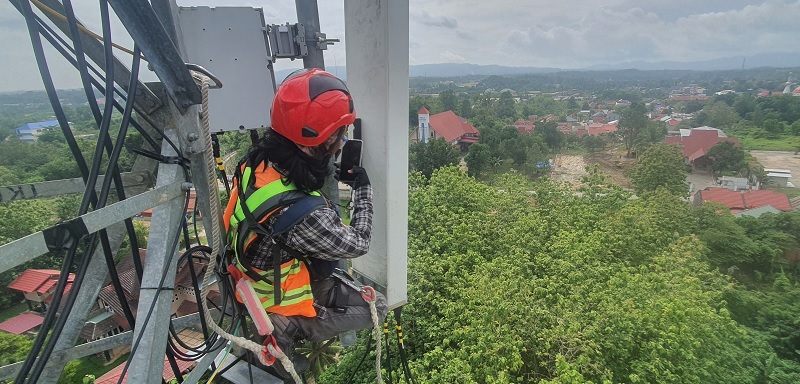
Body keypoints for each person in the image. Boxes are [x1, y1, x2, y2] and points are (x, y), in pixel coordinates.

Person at [222, 68, 388, 378]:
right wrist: (362, 191)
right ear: (312, 143)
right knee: (377, 307)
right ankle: (293, 325)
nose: (340, 145)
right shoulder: (302, 213)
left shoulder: (255, 163)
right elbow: (359, 242)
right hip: (275, 295)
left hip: (252, 273)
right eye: (337, 136)